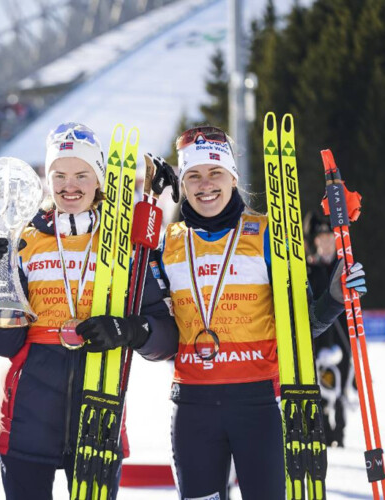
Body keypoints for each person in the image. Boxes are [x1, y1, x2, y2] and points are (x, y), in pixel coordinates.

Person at [103, 125, 366, 500]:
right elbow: (162, 338)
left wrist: (334, 299)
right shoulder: (167, 246)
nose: (204, 184)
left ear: (233, 177)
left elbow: (300, 329)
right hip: (192, 409)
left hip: (258, 407)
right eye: (193, 175)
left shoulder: (269, 237)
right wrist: (135, 330)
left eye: (215, 173)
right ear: (183, 181)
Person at [0, 122, 176, 500]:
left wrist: (129, 330)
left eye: (82, 174)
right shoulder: (23, 240)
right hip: (25, 424)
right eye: (60, 174)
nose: (70, 185)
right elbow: (3, 343)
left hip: (99, 420)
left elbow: (165, 339)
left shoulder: (126, 244)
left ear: (99, 179)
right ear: (47, 179)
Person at [304, 210, 359, 447]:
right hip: (319, 335)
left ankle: (340, 428)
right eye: (321, 238)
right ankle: (323, 426)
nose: (325, 242)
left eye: (330, 237)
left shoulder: (343, 268)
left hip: (342, 334)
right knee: (320, 381)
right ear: (315, 241)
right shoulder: (308, 269)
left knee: (342, 381)